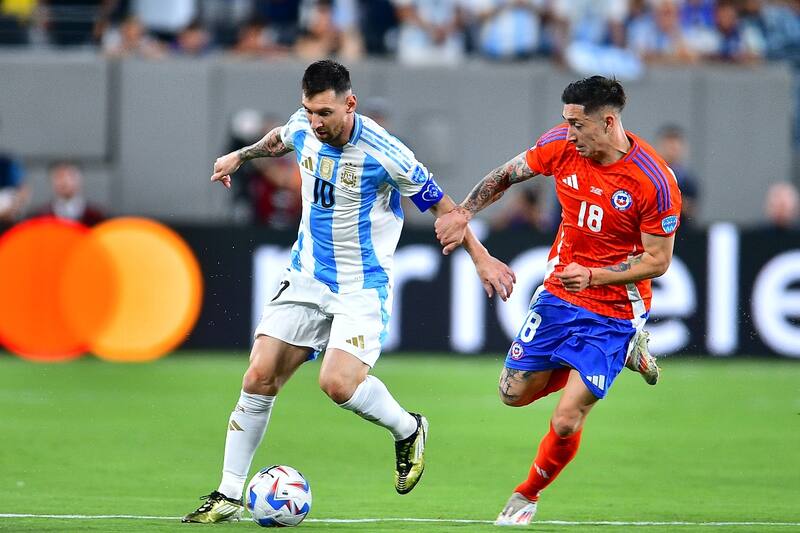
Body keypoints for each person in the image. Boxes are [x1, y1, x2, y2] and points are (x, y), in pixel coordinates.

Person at [182, 60, 515, 524]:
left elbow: (444, 207)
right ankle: (228, 494)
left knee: (337, 384)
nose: (316, 122)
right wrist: (240, 156)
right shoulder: (304, 126)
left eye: (325, 112)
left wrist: (481, 257)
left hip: (361, 285)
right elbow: (280, 138)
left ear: (350, 104)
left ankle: (408, 428)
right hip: (306, 275)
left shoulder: (387, 153)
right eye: (309, 111)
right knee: (258, 376)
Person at [434, 75, 681, 526]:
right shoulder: (561, 146)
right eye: (566, 122)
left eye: (577, 125)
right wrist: (464, 213)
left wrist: (595, 275)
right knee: (512, 394)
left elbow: (658, 261)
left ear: (608, 123)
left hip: (615, 310)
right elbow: (505, 175)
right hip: (560, 293)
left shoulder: (654, 181)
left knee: (567, 419)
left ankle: (526, 494)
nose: (569, 133)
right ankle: (603, 360)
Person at [34, 161, 105, 226]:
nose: (65, 181)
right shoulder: (41, 216)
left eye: (71, 176)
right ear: (51, 181)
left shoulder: (96, 215)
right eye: (59, 176)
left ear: (80, 179)